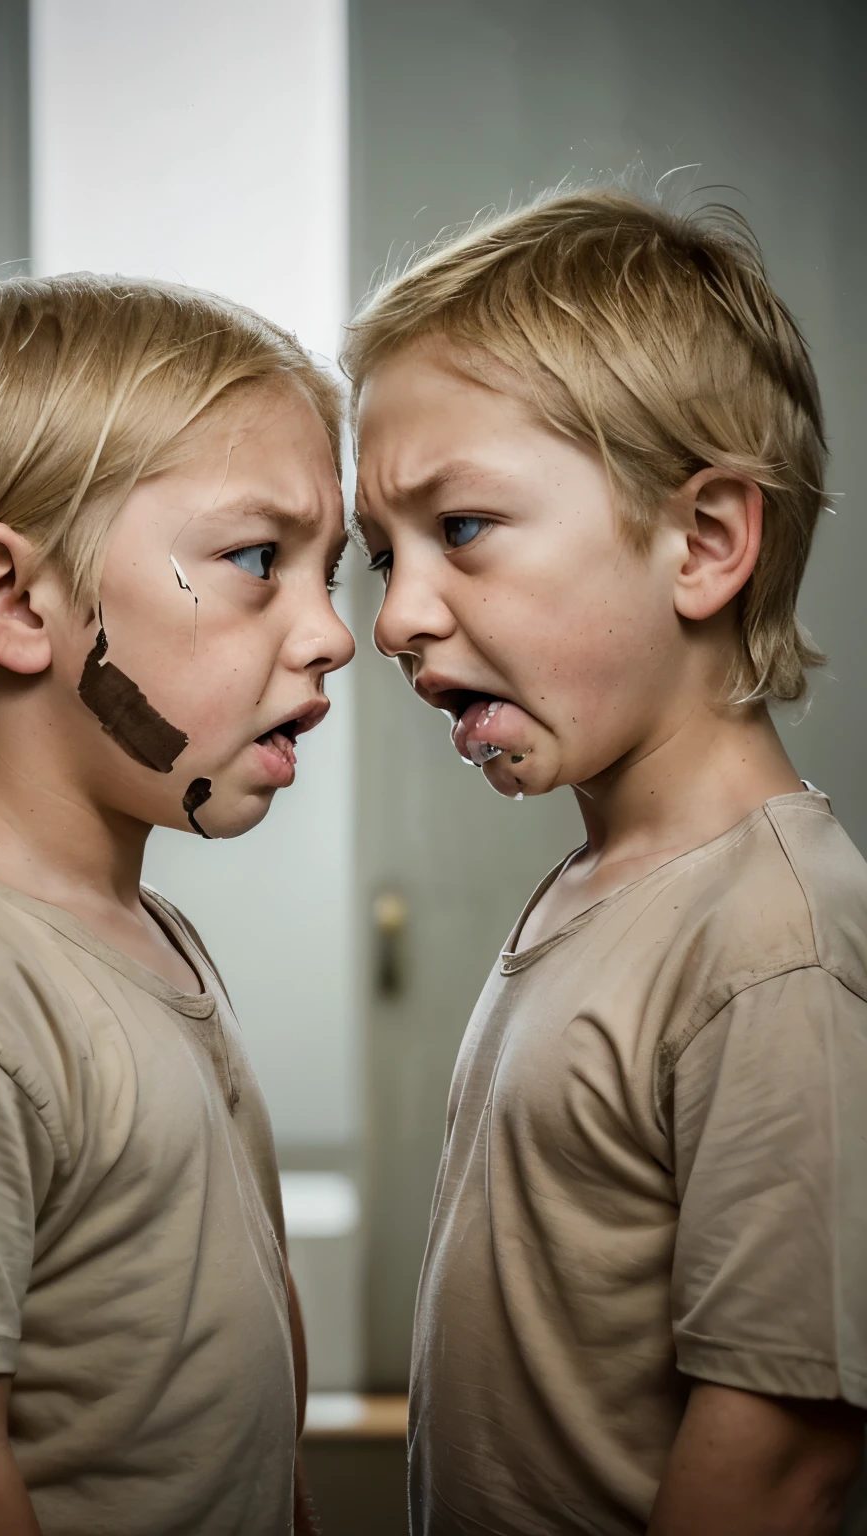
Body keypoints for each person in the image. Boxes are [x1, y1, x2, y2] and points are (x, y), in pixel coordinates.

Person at [343, 188, 867, 1536]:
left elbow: (782, 1457)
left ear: (703, 544)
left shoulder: (774, 945)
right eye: (379, 556)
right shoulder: (602, 889)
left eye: (458, 528)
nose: (396, 617)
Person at [0, 273, 354, 1535]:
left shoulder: (141, 933)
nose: (335, 634)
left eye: (329, 570)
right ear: (16, 603)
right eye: (256, 561)